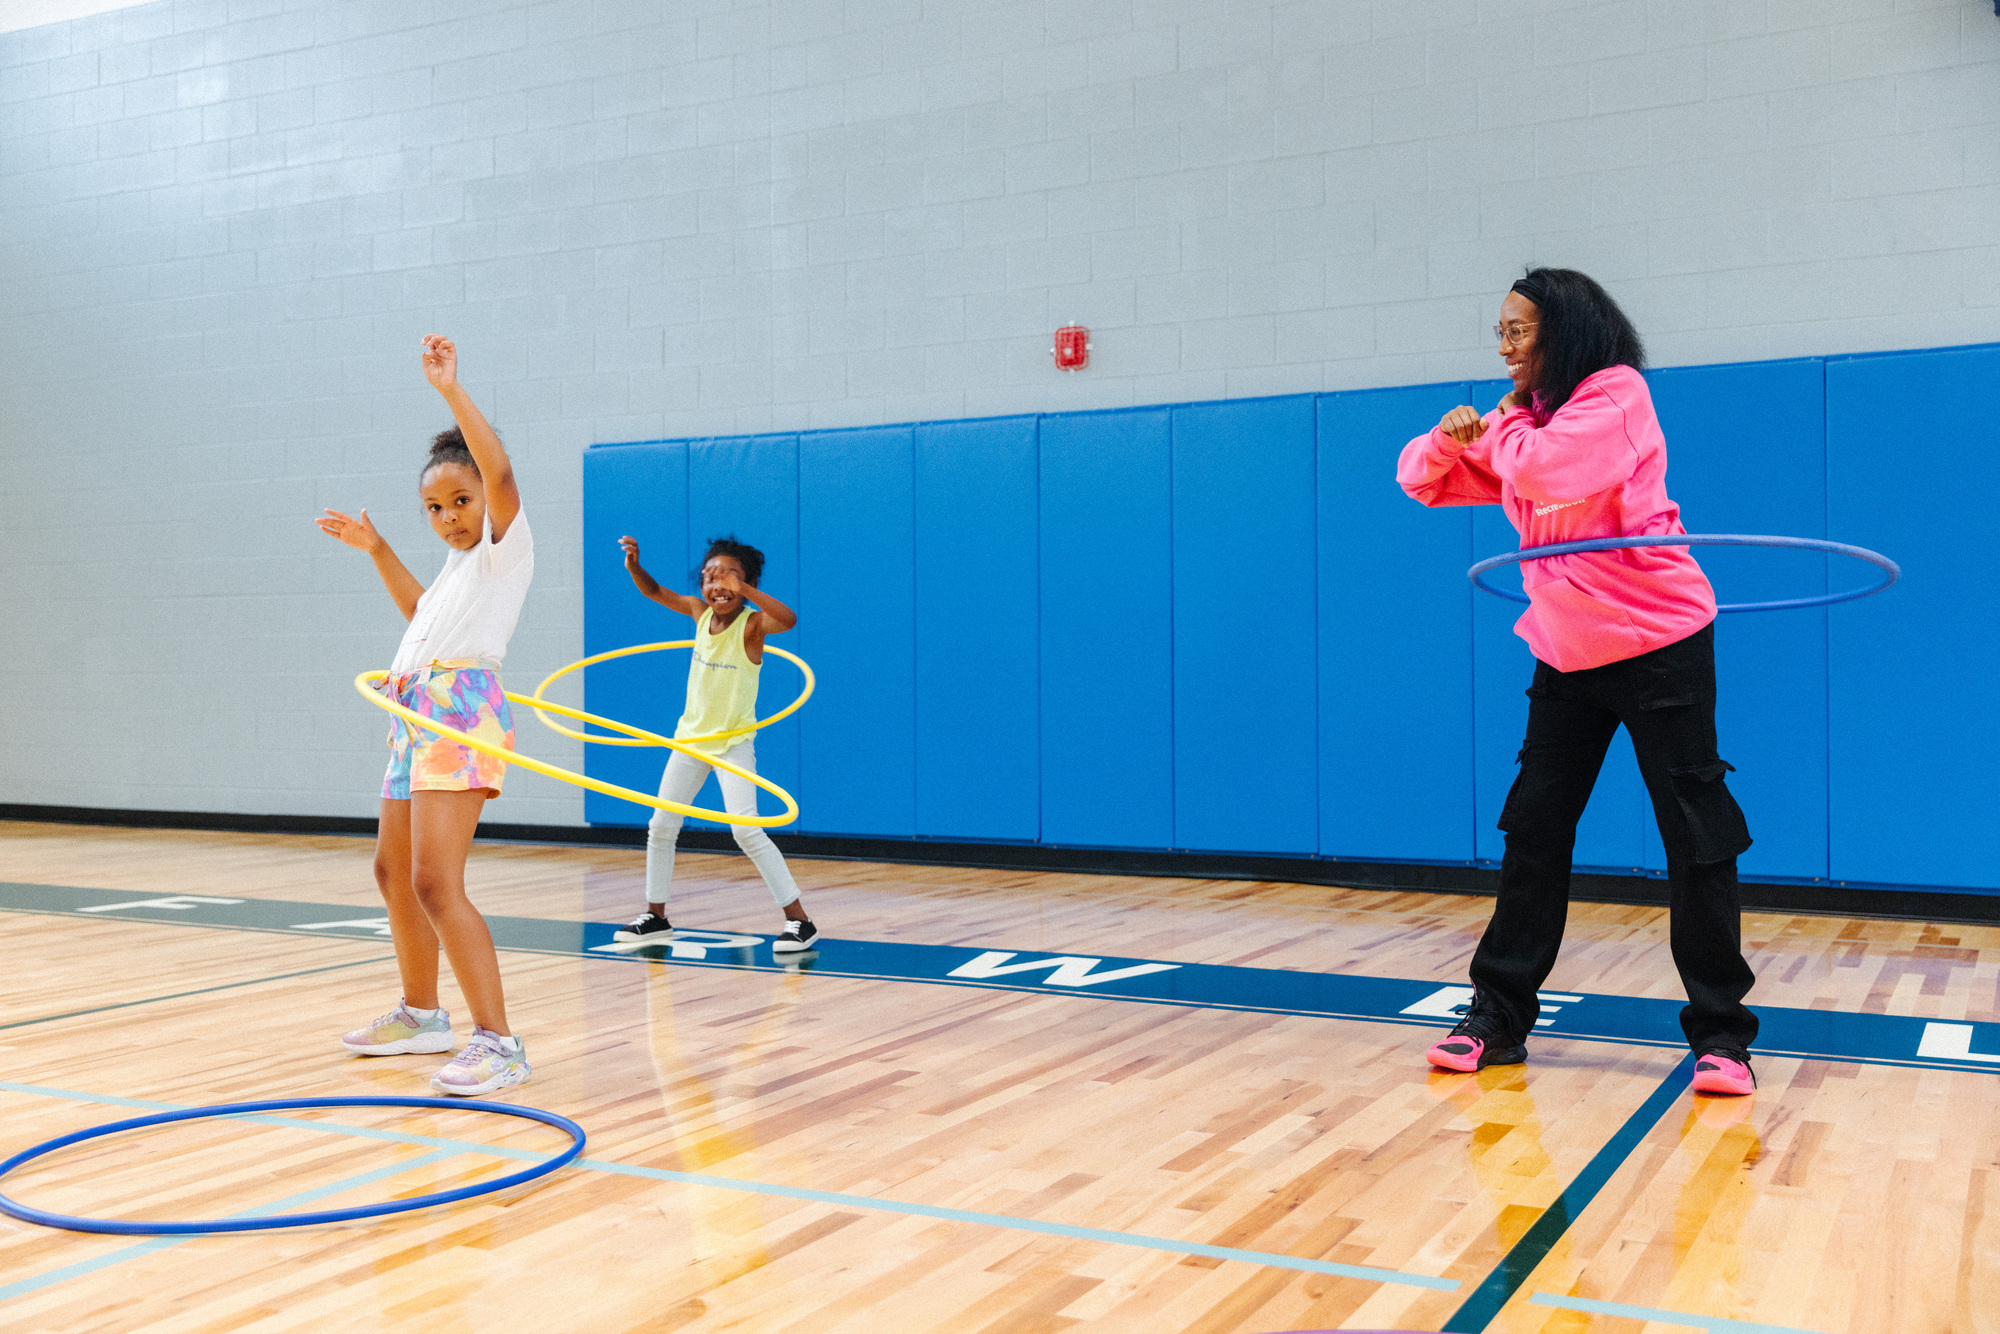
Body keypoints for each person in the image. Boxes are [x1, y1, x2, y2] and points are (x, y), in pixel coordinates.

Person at [1396, 267, 1758, 1097]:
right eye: (1500, 332)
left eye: (1517, 331)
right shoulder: (1523, 420)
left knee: (1694, 832)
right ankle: (1496, 1017)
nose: (1504, 347)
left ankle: (1722, 1037)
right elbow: (1421, 479)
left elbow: (1552, 471)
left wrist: (1494, 429)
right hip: (1565, 649)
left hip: (1658, 639)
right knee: (1534, 827)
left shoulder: (1614, 396)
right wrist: (1451, 440)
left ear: (1564, 331)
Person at [315, 335, 535, 1097]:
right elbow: (419, 619)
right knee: (392, 873)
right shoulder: (453, 569)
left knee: (438, 882)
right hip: (413, 713)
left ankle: (500, 1043)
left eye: (460, 501)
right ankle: (421, 1013)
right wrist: (377, 547)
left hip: (460, 714)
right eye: (434, 508)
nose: (448, 517)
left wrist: (450, 391)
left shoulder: (506, 544)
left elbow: (499, 470)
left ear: (487, 497)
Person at [610, 535, 819, 953]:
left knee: (746, 831)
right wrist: (634, 564)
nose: (716, 585)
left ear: (746, 584)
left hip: (731, 744)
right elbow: (653, 591)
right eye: (709, 577)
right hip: (690, 741)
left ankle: (800, 922)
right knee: (661, 826)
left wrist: (748, 594)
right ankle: (656, 916)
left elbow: (790, 619)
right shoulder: (698, 611)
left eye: (728, 578)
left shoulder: (753, 624)